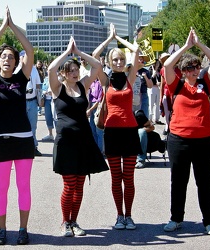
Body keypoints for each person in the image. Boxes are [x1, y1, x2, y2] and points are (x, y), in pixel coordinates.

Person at [0, 7, 34, 245]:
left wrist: (13, 27)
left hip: (23, 138)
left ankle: (23, 229)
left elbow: (30, 50)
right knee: (1, 188)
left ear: (16, 62)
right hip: (0, 140)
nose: (7, 59)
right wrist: (1, 27)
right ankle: (2, 230)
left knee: (23, 186)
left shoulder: (21, 78)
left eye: (11, 57)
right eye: (3, 57)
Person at [48, 36, 108, 237]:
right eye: (69, 70)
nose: (74, 73)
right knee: (69, 184)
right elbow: (50, 70)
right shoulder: (58, 88)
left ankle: (74, 221)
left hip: (84, 140)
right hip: (66, 142)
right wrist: (67, 53)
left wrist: (79, 53)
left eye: (75, 69)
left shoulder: (83, 85)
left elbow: (97, 65)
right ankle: (65, 221)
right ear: (63, 74)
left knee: (80, 184)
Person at [163, 28, 210, 236]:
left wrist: (199, 45)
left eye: (197, 66)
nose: (195, 70)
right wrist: (186, 47)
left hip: (204, 141)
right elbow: (168, 65)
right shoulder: (176, 85)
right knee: (178, 181)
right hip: (179, 140)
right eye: (191, 68)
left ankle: (209, 221)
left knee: (204, 182)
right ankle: (176, 218)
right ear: (184, 71)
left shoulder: (206, 83)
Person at [93, 23, 141, 230]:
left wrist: (119, 40)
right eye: (115, 60)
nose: (119, 62)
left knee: (128, 177)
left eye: (121, 59)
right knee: (115, 177)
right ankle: (119, 215)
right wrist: (109, 38)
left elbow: (136, 50)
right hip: (111, 132)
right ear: (110, 62)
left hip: (130, 131)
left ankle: (129, 215)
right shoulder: (106, 80)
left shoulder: (131, 76)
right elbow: (95, 55)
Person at [16, 51, 42, 156]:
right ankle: (20, 147)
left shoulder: (34, 69)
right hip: (21, 102)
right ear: (20, 58)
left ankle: (33, 146)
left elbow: (38, 85)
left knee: (33, 125)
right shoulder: (16, 69)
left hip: (32, 101)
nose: (26, 59)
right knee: (20, 125)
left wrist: (40, 99)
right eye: (23, 57)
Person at [87, 78, 104, 154]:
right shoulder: (92, 83)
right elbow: (90, 98)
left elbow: (99, 100)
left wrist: (90, 109)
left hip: (98, 107)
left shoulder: (100, 83)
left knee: (98, 130)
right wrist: (88, 109)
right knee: (92, 129)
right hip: (91, 106)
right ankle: (95, 148)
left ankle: (100, 150)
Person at [137, 53, 153, 118]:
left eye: (141, 59)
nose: (140, 60)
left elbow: (150, 86)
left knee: (144, 115)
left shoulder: (146, 71)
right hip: (134, 95)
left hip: (143, 94)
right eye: (139, 59)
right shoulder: (131, 70)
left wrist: (145, 77)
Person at [148, 60, 163, 124]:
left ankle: (157, 118)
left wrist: (160, 83)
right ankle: (150, 118)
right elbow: (150, 79)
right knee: (151, 103)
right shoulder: (151, 70)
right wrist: (153, 74)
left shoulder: (159, 71)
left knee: (157, 104)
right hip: (152, 88)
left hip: (158, 88)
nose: (157, 64)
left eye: (158, 63)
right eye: (156, 63)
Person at [41, 76, 55, 141]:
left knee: (56, 117)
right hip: (47, 100)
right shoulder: (46, 78)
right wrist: (44, 92)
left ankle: (59, 135)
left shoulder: (58, 77)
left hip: (54, 100)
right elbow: (42, 88)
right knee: (48, 117)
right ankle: (50, 134)